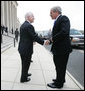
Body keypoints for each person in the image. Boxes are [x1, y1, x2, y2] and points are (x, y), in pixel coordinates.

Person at [18, 12, 49, 83]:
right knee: (26, 63)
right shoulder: (29, 26)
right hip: (26, 49)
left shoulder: (23, 25)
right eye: (32, 17)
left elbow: (27, 36)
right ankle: (23, 78)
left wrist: (32, 40)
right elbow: (34, 36)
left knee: (24, 63)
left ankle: (25, 74)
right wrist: (43, 42)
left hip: (22, 48)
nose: (34, 18)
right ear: (28, 17)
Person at [47, 6, 72, 88]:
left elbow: (64, 32)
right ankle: (61, 79)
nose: (50, 15)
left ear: (56, 12)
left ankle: (59, 84)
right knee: (59, 66)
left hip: (62, 49)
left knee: (60, 66)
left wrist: (52, 39)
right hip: (59, 49)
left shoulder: (64, 18)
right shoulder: (57, 20)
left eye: (51, 13)